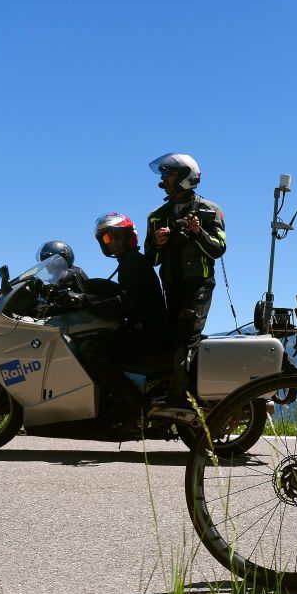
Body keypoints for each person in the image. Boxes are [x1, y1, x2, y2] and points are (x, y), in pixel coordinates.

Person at [143, 153, 226, 406]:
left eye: (168, 173)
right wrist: (156, 243)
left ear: (184, 178)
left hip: (198, 285)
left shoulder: (210, 210)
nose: (163, 178)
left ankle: (181, 397)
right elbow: (150, 257)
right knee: (170, 336)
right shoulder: (157, 215)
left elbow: (218, 248)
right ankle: (170, 390)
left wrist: (197, 232)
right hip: (170, 285)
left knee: (186, 336)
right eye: (163, 173)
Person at [74, 212, 169, 424]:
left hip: (147, 333)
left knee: (91, 348)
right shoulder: (129, 261)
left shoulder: (133, 262)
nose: (113, 242)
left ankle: (134, 403)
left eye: (117, 236)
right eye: (107, 238)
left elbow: (125, 302)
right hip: (144, 329)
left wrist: (86, 302)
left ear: (128, 237)